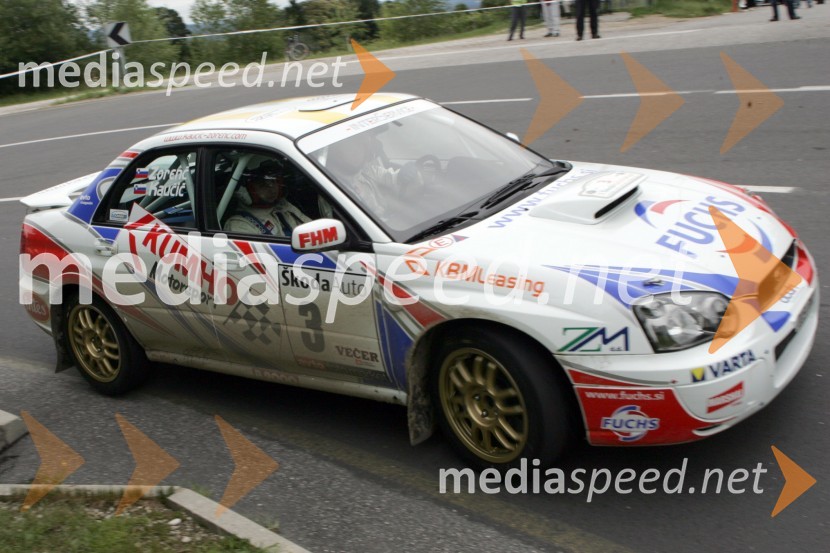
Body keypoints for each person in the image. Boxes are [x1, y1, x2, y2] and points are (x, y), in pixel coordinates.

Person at [323, 131, 422, 218]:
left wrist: (408, 173)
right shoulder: (328, 184)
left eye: (362, 146)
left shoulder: (367, 171)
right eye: (351, 146)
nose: (358, 152)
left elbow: (393, 178)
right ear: (337, 151)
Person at [224, 161, 310, 236]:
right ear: (246, 190)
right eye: (262, 185)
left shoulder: (284, 206)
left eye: (273, 181)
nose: (272, 188)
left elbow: (311, 229)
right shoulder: (239, 225)